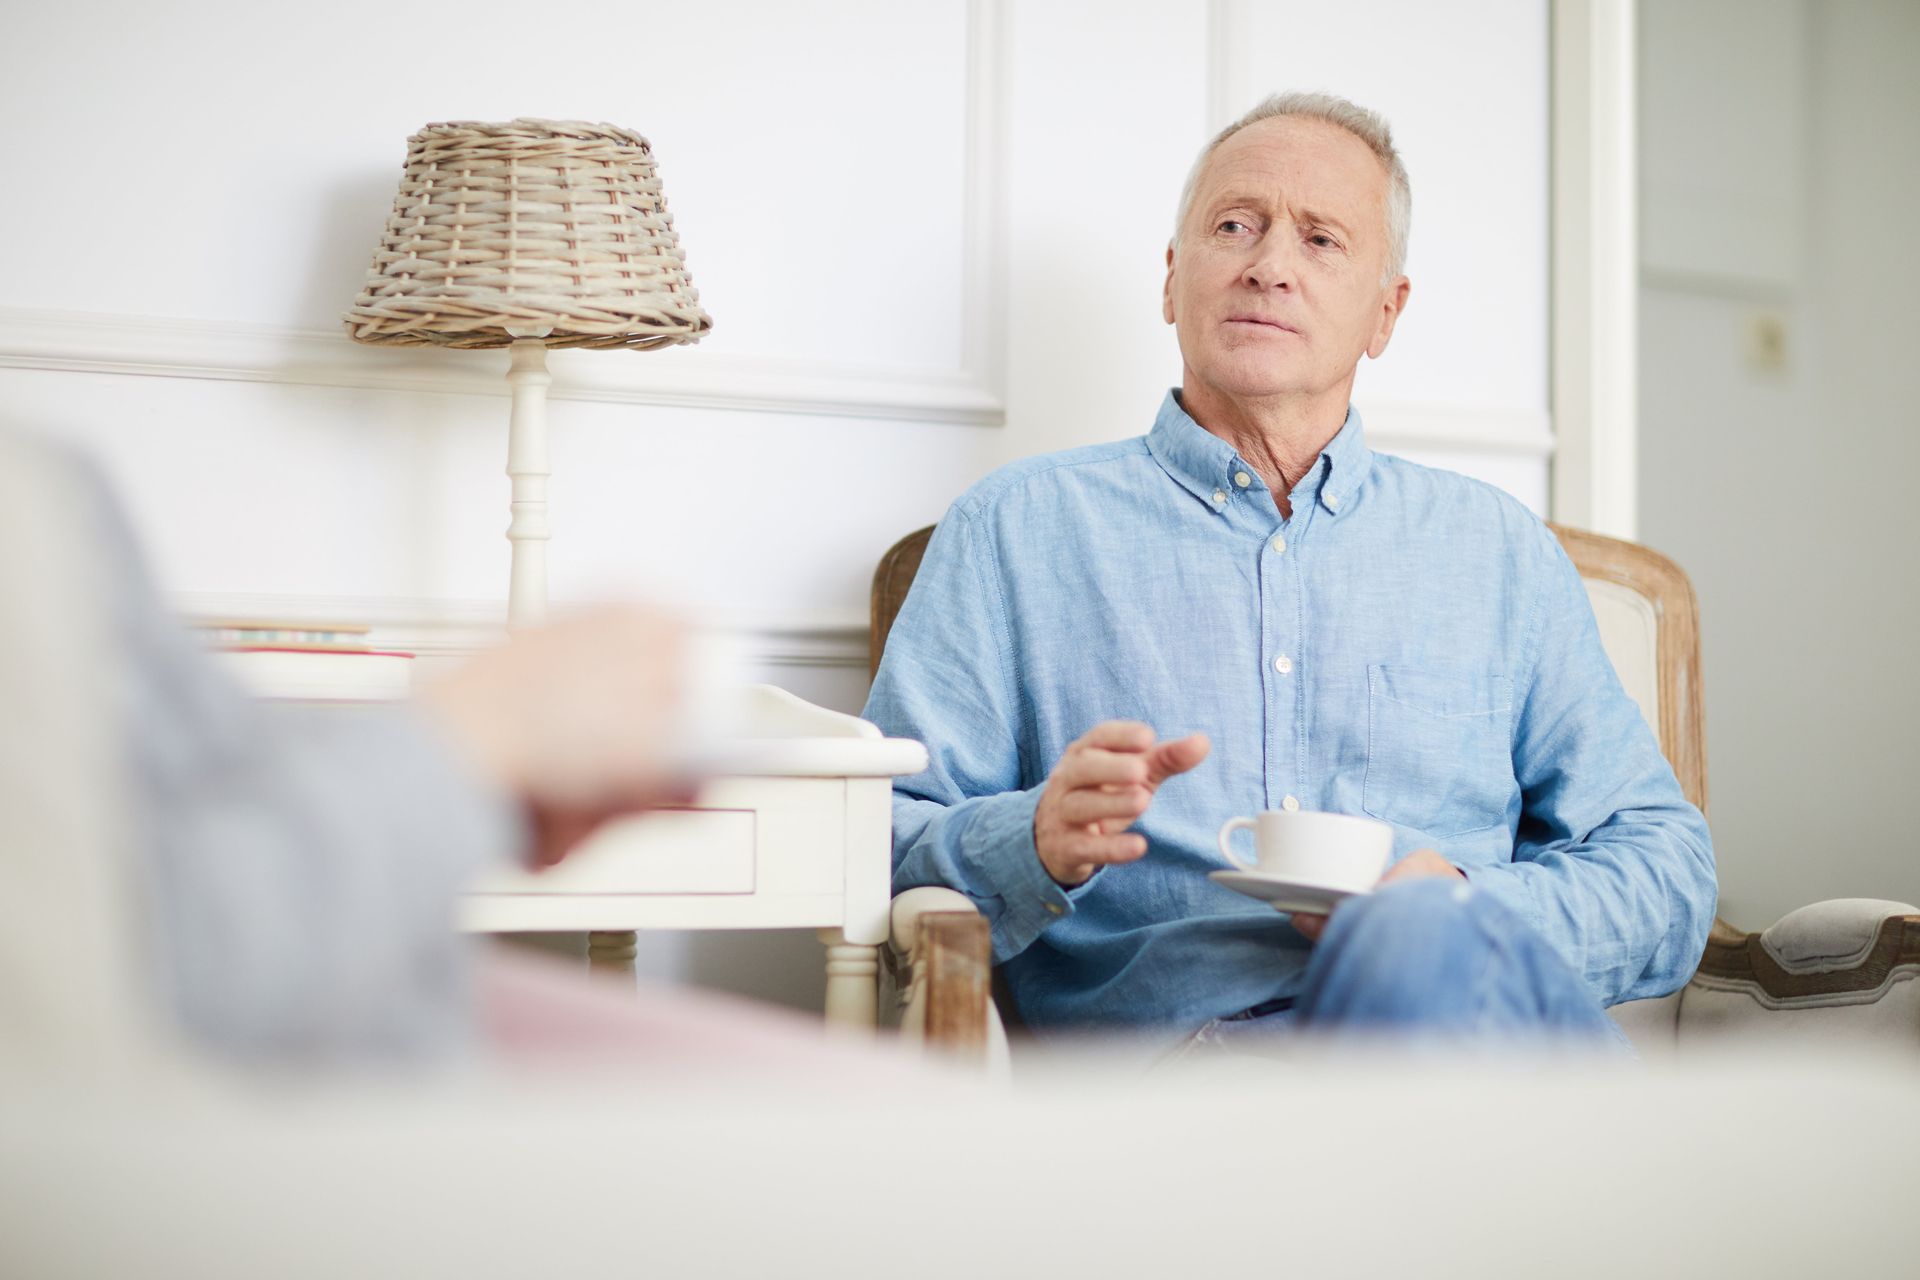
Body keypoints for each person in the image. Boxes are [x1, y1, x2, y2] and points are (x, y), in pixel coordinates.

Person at [863, 91, 1716, 1049]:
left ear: (1384, 312)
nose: (1269, 267)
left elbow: (1666, 863)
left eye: (1320, 240)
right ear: (1173, 278)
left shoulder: (1500, 551)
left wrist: (1468, 910)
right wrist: (1032, 841)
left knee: (1427, 958)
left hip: (1478, 1044)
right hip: (1200, 1073)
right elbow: (878, 835)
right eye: (1236, 226)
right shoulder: (1013, 530)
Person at [0, 429, 862, 1072]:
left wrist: (479, 770)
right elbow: (157, 967)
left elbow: (188, 790)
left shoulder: (48, 492)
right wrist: (476, 731)